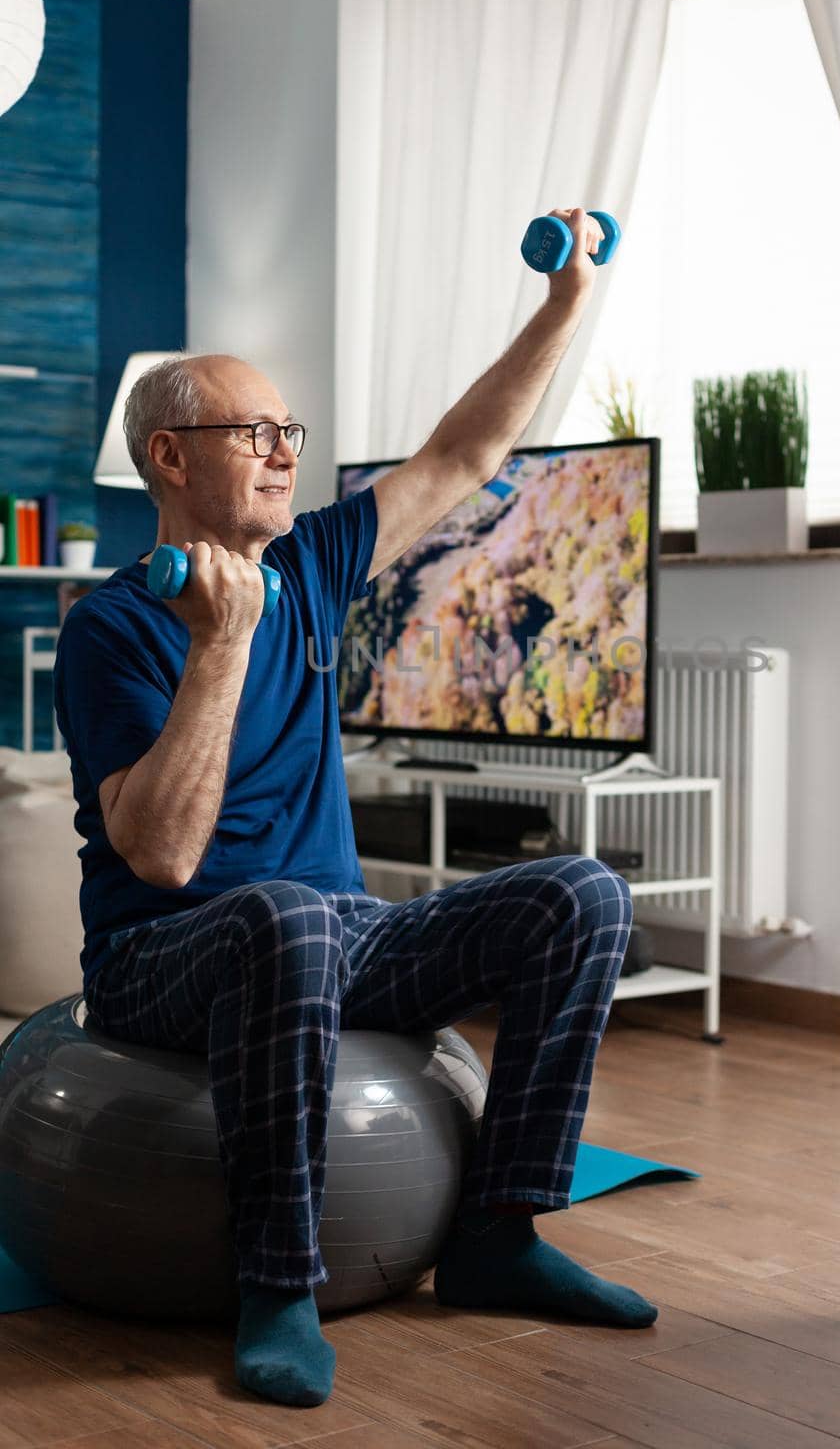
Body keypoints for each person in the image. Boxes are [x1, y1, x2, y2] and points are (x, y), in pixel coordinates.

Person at [53, 208, 657, 1411]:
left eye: (291, 430)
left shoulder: (314, 563)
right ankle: (276, 1282)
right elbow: (162, 857)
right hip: (160, 958)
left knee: (577, 895)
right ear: (169, 457)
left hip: (335, 928)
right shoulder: (110, 627)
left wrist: (563, 305)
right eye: (253, 431)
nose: (284, 450)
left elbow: (464, 455)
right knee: (290, 916)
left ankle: (497, 1230)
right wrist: (220, 646)